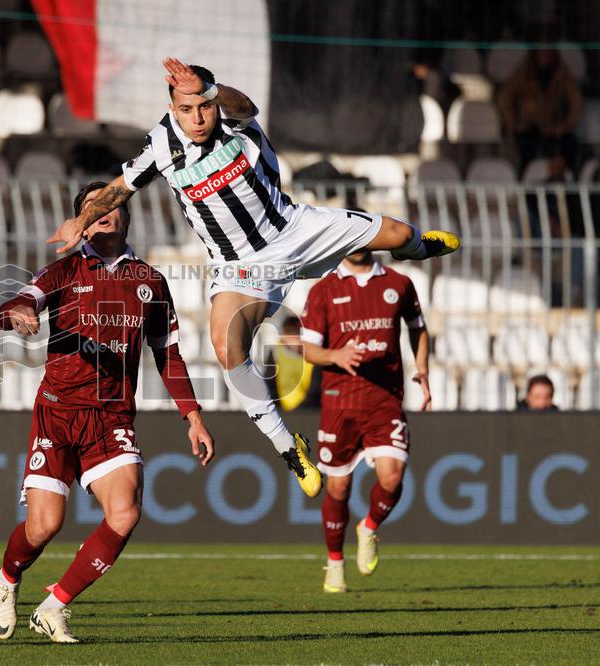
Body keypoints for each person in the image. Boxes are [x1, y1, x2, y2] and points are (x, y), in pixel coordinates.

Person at [47, 58, 458, 501]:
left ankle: (413, 247)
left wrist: (209, 88)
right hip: (240, 265)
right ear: (172, 108)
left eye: (202, 106)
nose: (198, 117)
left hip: (293, 228)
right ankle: (289, 448)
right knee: (226, 345)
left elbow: (244, 104)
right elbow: (117, 190)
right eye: (186, 110)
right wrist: (80, 221)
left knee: (397, 232)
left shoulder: (230, 115)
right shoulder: (162, 145)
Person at [0, 181, 215, 643]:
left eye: (109, 204)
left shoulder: (149, 281)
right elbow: (17, 303)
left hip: (112, 417)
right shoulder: (62, 272)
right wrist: (18, 315)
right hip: (58, 412)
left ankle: (54, 605)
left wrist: (192, 416)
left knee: (125, 513)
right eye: (90, 208)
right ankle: (9, 577)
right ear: (80, 224)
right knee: (45, 525)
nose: (101, 212)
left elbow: (168, 353)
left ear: (125, 215)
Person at [298, 250, 431, 593]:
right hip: (340, 404)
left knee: (393, 475)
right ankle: (335, 564)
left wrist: (423, 369)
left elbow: (418, 328)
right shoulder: (323, 290)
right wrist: (336, 355)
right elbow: (308, 350)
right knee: (339, 489)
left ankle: (369, 526)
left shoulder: (398, 284)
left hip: (384, 401)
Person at [499, 48, 582, 174]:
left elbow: (576, 101)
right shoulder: (523, 72)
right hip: (527, 127)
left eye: (549, 52)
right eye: (542, 52)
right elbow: (506, 98)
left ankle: (566, 182)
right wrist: (514, 123)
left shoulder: (561, 74)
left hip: (552, 128)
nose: (545, 56)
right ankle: (525, 183)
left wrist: (565, 126)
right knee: (525, 152)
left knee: (571, 145)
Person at [264, 316, 320, 411]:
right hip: (283, 412)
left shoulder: (316, 354)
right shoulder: (275, 353)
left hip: (310, 411)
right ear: (283, 336)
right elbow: (269, 387)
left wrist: (300, 411)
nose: (294, 348)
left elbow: (316, 389)